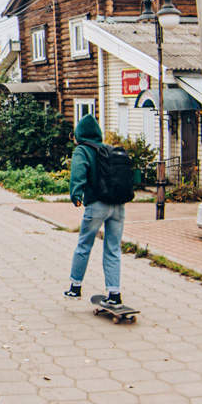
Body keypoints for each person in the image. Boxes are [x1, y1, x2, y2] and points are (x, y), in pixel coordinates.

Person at [64, 113, 125, 307]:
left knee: (84, 245)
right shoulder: (108, 150)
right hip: (118, 206)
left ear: (79, 134)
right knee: (113, 248)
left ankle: (75, 287)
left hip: (97, 205)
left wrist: (76, 194)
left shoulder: (82, 150)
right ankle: (114, 293)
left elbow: (78, 171)